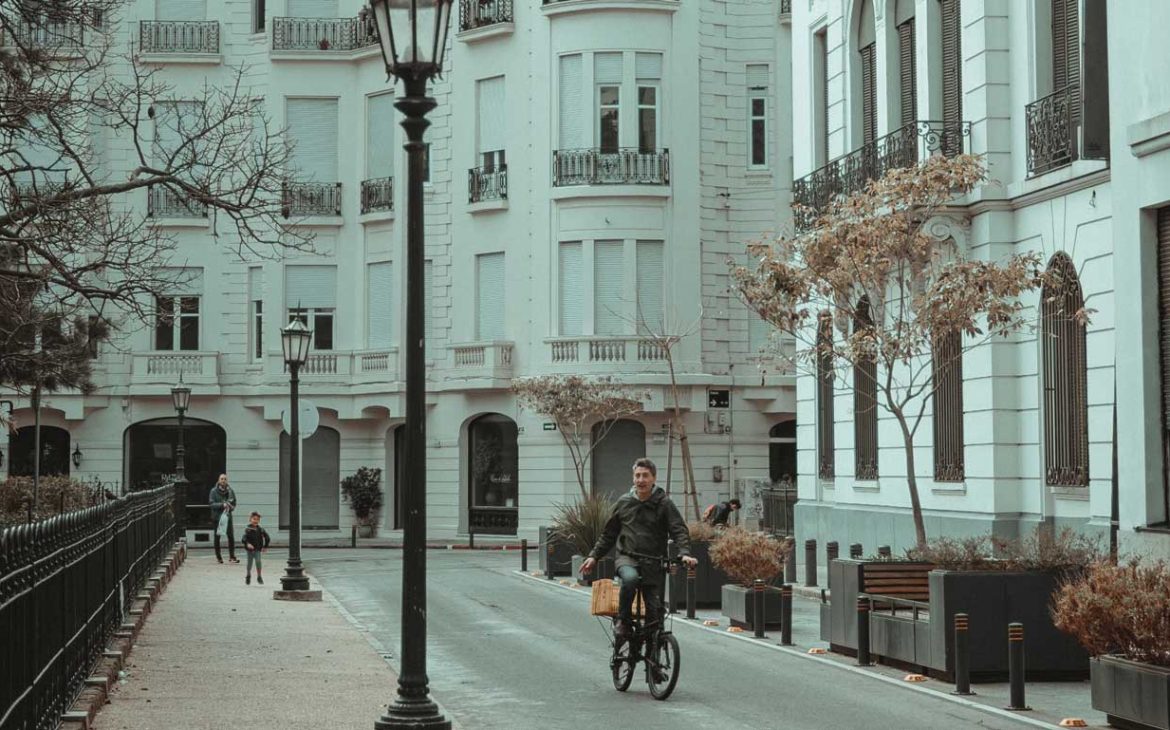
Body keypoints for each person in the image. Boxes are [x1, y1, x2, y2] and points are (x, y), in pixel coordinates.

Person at [581, 458, 697, 639]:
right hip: (627, 558)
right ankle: (623, 621)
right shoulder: (624, 502)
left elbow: (679, 530)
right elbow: (609, 534)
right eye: (637, 476)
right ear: (633, 478)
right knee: (630, 580)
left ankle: (653, 659)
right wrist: (594, 556)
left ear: (653, 478)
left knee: (655, 614)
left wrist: (684, 553)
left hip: (654, 562)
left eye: (645, 476)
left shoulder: (664, 503)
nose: (641, 480)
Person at [209, 474, 240, 564]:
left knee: (231, 537)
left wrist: (230, 506)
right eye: (222, 479)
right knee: (217, 537)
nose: (223, 480)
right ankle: (219, 557)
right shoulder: (213, 491)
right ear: (219, 480)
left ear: (227, 481)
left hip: (227, 517)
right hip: (217, 518)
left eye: (225, 479)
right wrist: (222, 505)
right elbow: (211, 504)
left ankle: (232, 556)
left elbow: (234, 502)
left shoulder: (230, 491)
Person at [241, 512, 271, 585]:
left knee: (258, 562)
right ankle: (248, 575)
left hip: (257, 549)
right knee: (249, 564)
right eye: (254, 519)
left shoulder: (261, 530)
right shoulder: (248, 529)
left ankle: (259, 576)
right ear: (250, 519)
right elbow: (244, 539)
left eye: (257, 519)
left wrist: (265, 546)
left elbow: (267, 538)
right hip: (250, 550)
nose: (255, 521)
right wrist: (247, 544)